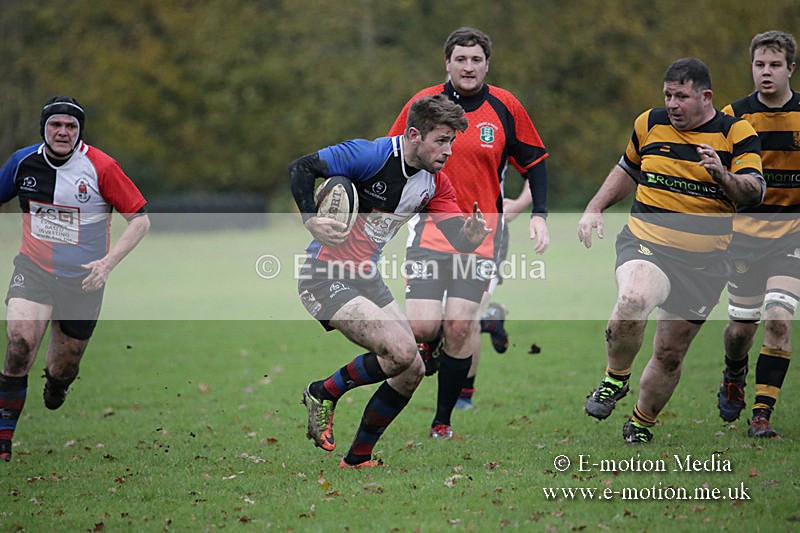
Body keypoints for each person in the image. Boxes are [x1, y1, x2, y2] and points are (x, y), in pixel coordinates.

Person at [290, 94, 490, 468]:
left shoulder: (435, 184)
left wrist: (472, 237)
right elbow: (301, 168)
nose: (449, 150)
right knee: (400, 351)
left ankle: (358, 458)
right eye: (441, 140)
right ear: (415, 134)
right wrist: (309, 218)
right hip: (323, 276)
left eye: (452, 141)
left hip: (367, 277)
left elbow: (457, 239)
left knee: (412, 367)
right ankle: (323, 392)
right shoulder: (370, 155)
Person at [577, 58, 765, 444]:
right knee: (633, 298)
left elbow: (755, 191)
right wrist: (595, 206)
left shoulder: (736, 133)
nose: (673, 104)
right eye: (668, 95)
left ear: (705, 96)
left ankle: (642, 423)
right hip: (647, 242)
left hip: (704, 264)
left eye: (681, 96)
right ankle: (615, 379)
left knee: (669, 354)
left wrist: (723, 176)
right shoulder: (649, 123)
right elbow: (627, 169)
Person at [387, 27, 549, 436]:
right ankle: (484, 322)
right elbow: (391, 154)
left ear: (487, 64)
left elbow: (536, 162)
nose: (468, 66)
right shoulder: (423, 105)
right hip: (428, 231)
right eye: (461, 58)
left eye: (476, 59)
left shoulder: (505, 106)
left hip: (481, 236)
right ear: (447, 62)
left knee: (460, 325)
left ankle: (442, 421)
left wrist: (538, 213)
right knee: (423, 327)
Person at [0, 96, 150, 462]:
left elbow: (141, 220)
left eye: (71, 126)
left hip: (84, 281)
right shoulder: (22, 162)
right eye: (56, 125)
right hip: (34, 270)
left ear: (79, 131)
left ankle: (57, 385)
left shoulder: (101, 166)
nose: (63, 132)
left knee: (65, 364)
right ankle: (3, 441)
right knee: (19, 343)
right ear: (44, 128)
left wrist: (107, 264)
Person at [717, 30, 800, 438]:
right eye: (759, 65)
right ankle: (734, 371)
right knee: (739, 331)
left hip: (792, 238)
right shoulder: (734, 118)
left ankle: (762, 415)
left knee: (779, 318)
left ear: (791, 69)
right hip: (744, 238)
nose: (766, 73)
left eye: (774, 65)